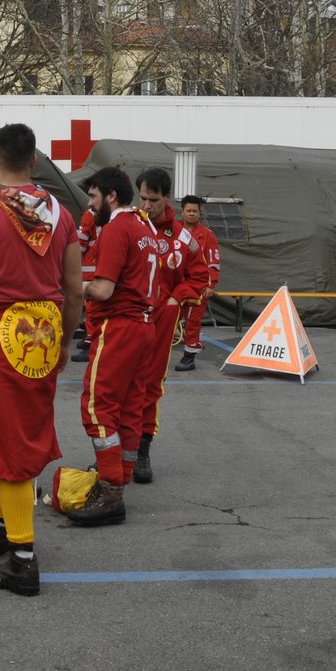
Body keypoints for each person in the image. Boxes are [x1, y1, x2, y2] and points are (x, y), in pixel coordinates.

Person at [0, 124, 82, 597]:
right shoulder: (61, 215)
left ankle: (23, 559)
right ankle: (5, 524)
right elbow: (73, 289)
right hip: (42, 332)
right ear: (36, 161)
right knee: (24, 430)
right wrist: (65, 341)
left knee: (9, 444)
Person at [65, 166, 161, 527]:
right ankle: (120, 474)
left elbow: (104, 289)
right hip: (144, 325)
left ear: (111, 196)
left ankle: (110, 490)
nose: (89, 206)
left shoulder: (119, 226)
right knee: (130, 405)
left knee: (97, 405)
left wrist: (77, 290)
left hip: (119, 325)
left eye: (93, 197)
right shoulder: (145, 227)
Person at [133, 167, 208, 484]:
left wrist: (178, 298)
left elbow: (201, 276)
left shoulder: (184, 238)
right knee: (118, 384)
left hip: (162, 321)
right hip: (129, 317)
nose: (146, 205)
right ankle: (112, 454)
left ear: (167, 198)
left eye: (153, 199)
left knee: (150, 385)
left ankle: (141, 451)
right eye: (142, 197)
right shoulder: (129, 227)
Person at [173, 195, 222, 371]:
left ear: (199, 213)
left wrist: (211, 285)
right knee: (166, 318)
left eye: (195, 211)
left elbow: (213, 261)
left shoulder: (207, 235)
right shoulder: (173, 230)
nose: (192, 214)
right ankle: (154, 355)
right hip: (174, 286)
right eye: (189, 211)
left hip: (198, 287)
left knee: (193, 322)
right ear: (183, 212)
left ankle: (189, 357)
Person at [71, 196, 102, 362]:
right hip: (101, 264)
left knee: (91, 306)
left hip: (90, 265)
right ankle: (91, 338)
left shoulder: (90, 214)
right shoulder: (112, 214)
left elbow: (82, 242)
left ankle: (91, 341)